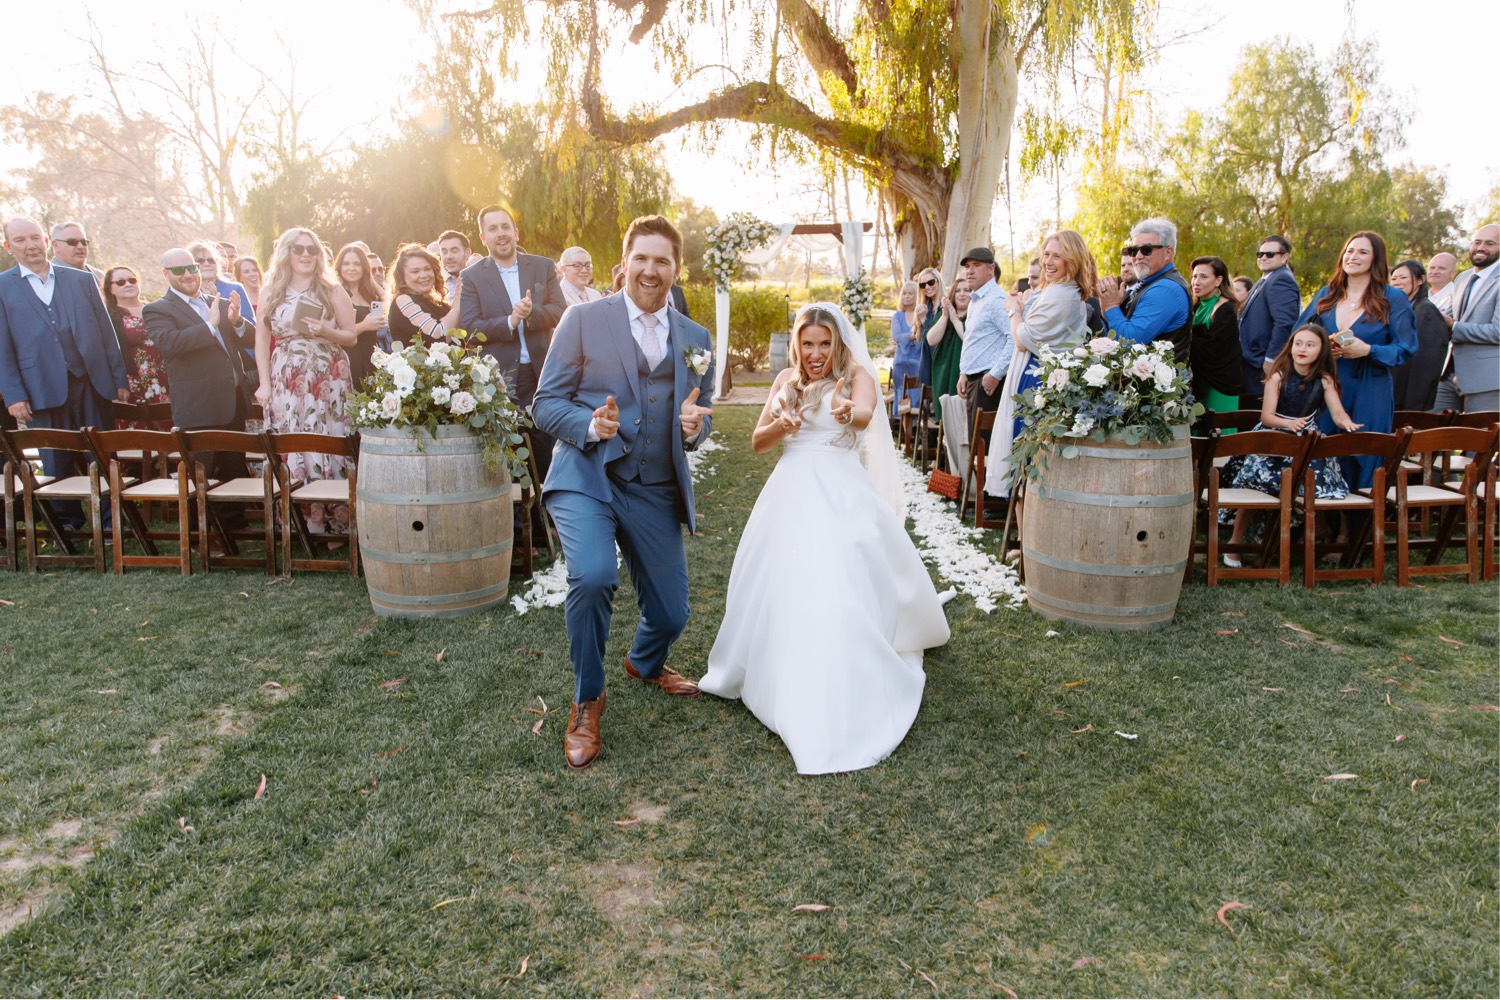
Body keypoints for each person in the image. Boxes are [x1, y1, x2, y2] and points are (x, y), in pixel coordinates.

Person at [700, 303, 950, 774]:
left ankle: (842, 671)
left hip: (840, 492)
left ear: (837, 343)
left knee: (840, 583)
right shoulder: (783, 382)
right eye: (808, 343)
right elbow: (758, 442)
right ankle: (779, 670)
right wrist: (782, 424)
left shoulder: (856, 374)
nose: (816, 353)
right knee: (782, 582)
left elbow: (863, 415)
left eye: (824, 343)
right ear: (798, 344)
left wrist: (843, 409)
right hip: (790, 493)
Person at [531, 214, 715, 771]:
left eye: (663, 260)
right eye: (642, 258)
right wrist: (590, 424)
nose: (651, 270)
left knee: (673, 613)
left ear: (676, 268)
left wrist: (694, 429)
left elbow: (699, 417)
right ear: (624, 262)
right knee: (592, 576)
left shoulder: (696, 338)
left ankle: (645, 661)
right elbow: (544, 404)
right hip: (587, 477)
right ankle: (588, 700)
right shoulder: (583, 320)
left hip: (654, 485)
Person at [0, 216, 129, 525]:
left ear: (46, 240)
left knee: (101, 453)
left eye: (34, 237)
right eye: (20, 240)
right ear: (8, 246)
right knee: (54, 458)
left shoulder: (80, 280)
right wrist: (13, 395)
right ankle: (67, 522)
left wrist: (118, 378)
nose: (30, 244)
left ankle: (113, 520)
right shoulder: (3, 286)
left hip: (91, 380)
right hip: (39, 385)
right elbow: (2, 347)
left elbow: (106, 331)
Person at [1220, 325, 1361, 566]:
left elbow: (1338, 413)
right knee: (1254, 484)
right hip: (1272, 438)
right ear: (1291, 346)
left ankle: (1298, 542)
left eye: (1310, 345)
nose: (1302, 349)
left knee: (1319, 483)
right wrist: (1289, 423)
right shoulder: (1279, 375)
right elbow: (1267, 416)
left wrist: (1347, 423)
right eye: (1298, 343)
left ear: (1321, 350)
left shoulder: (1324, 379)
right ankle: (1234, 545)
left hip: (1304, 441)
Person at [253, 228, 358, 539]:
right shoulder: (270, 290)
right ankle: (298, 524)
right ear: (286, 252)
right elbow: (261, 339)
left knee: (329, 437)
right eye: (298, 249)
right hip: (285, 377)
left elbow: (351, 337)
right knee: (293, 439)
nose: (305, 255)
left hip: (329, 376)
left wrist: (326, 330)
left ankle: (336, 522)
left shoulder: (331, 289)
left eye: (312, 249)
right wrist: (263, 383)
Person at [144, 248, 257, 532]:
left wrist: (237, 322)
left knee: (233, 468)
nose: (187, 275)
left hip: (232, 402)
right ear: (165, 274)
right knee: (202, 474)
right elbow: (171, 344)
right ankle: (203, 534)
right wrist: (209, 326)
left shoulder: (216, 302)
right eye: (179, 270)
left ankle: (235, 528)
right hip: (199, 406)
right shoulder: (157, 309)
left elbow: (249, 339)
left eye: (191, 268)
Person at [1296, 230, 1416, 489]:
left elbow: (1406, 348)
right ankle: (1322, 521)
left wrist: (1369, 350)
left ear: (1376, 259)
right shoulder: (1327, 294)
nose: (1353, 256)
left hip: (1370, 387)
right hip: (1327, 386)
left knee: (1364, 451)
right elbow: (1298, 334)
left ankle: (1356, 525)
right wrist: (1322, 346)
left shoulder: (1392, 298)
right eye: (1350, 250)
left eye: (1363, 252)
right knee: (1321, 449)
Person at [460, 203, 567, 485]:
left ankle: (551, 516)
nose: (501, 233)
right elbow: (470, 327)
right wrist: (510, 321)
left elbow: (560, 310)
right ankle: (517, 520)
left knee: (547, 443)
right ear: (483, 237)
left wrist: (532, 314)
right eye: (492, 228)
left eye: (505, 226)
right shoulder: (471, 277)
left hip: (543, 372)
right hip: (500, 377)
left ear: (516, 232)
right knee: (508, 448)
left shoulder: (542, 266)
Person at [986, 230, 1095, 495]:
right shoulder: (1058, 290)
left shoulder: (1062, 295)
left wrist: (1013, 309)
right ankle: (1023, 531)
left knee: (1026, 462)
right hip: (1034, 373)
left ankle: (1026, 531)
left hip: (1036, 379)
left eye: (1057, 256)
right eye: (1046, 254)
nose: (1048, 261)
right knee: (1023, 462)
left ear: (1073, 260)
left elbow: (1023, 339)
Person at [1097, 218, 1191, 361]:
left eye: (1146, 250)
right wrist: (1110, 307)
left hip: (1159, 381)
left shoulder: (1165, 290)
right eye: (1133, 250)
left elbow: (1128, 343)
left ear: (1168, 253)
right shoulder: (1150, 283)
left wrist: (1111, 306)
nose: (1138, 256)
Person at [1432, 223, 1499, 414]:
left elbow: (1498, 331)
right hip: (1448, 374)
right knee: (1433, 438)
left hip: (1487, 381)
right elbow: (1450, 317)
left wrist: (1453, 326)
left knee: (1480, 441)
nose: (1481, 247)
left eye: (1490, 243)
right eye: (1477, 242)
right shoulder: (1462, 278)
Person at [1238, 235, 1300, 405]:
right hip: (1250, 361)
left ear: (1284, 257)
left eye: (1270, 254)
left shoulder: (1282, 279)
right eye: (1260, 254)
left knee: (1255, 417)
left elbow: (1285, 323)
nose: (1263, 257)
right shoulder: (1266, 279)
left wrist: (1271, 359)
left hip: (1261, 363)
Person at [103, 265, 169, 408]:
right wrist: (118, 384)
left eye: (132, 280)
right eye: (120, 282)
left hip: (167, 375)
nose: (128, 284)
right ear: (110, 289)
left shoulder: (156, 309)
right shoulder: (108, 317)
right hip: (134, 380)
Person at [1388, 259, 1450, 411]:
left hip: (1410, 398)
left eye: (1403, 278)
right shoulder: (1401, 310)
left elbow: (1425, 364)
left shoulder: (1426, 311)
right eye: (1394, 279)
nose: (1397, 283)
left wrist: (1414, 407)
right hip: (1394, 389)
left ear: (1421, 280)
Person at [1188, 255, 1244, 417]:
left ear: (1218, 280)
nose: (1196, 282)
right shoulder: (1197, 305)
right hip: (1199, 380)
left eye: (1204, 277)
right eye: (1194, 276)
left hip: (1220, 382)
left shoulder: (1226, 308)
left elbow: (1212, 349)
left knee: (1218, 433)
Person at [955, 246, 1007, 419]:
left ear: (991, 269)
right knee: (975, 443)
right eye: (967, 267)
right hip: (973, 380)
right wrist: (964, 372)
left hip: (988, 383)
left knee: (985, 443)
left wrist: (995, 374)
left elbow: (1015, 339)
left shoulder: (997, 299)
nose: (969, 271)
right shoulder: (975, 300)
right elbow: (972, 340)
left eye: (976, 265)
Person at [335, 243, 387, 389]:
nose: (351, 268)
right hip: (350, 361)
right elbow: (331, 335)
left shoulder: (371, 295)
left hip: (372, 360)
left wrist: (371, 280)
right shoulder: (335, 294)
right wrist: (363, 326)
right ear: (339, 267)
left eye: (357, 264)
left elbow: (382, 315)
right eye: (346, 264)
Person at [387, 244, 460, 346]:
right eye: (415, 271)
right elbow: (438, 336)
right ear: (402, 276)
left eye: (427, 269)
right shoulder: (403, 300)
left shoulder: (437, 302)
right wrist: (458, 304)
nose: (424, 275)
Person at [926, 277, 968, 423]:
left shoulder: (975, 316)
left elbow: (967, 337)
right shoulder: (943, 314)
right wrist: (945, 316)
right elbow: (931, 339)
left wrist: (955, 320)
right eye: (958, 290)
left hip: (963, 372)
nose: (962, 294)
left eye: (966, 290)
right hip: (944, 371)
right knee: (946, 419)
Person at [188, 240, 256, 330]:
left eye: (211, 260)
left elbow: (251, 328)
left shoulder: (235, 289)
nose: (207, 264)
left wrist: (235, 318)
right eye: (200, 261)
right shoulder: (187, 295)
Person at [889, 279, 922, 417]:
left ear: (917, 296)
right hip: (901, 361)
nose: (907, 296)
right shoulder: (897, 316)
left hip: (917, 359)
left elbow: (924, 335)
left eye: (911, 294)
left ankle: (915, 421)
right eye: (904, 293)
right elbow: (897, 335)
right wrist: (914, 335)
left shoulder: (920, 314)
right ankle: (903, 421)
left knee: (917, 387)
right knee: (902, 388)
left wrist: (906, 338)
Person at [913, 267, 943, 393]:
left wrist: (925, 320)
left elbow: (936, 338)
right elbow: (919, 339)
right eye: (922, 285)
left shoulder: (945, 305)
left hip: (941, 360)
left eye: (931, 282)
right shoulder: (925, 307)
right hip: (927, 359)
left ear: (938, 281)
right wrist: (920, 322)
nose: (927, 287)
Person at [49, 221, 105, 287]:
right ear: (56, 245)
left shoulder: (100, 276)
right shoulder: (48, 277)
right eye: (72, 242)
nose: (81, 247)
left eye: (84, 242)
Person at [437, 230, 470, 302]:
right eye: (444, 252)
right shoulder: (434, 284)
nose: (449, 256)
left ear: (467, 253)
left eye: (454, 251)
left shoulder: (480, 279)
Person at [1427, 251, 1458, 317]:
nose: (1434, 272)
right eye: (1432, 268)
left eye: (1441, 268)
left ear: (1453, 273)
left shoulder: (1458, 296)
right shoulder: (1421, 296)